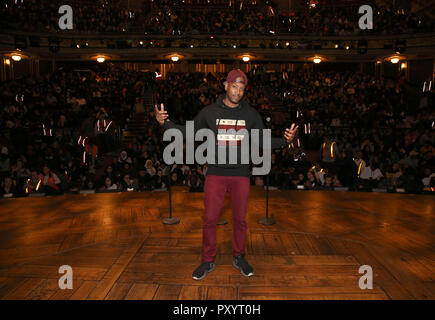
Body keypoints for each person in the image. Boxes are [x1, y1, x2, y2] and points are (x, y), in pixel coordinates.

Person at [154, 69, 298, 280]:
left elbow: (261, 141)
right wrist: (164, 124)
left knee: (240, 220)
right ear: (225, 86)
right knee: (210, 219)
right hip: (216, 174)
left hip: (240, 174)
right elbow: (189, 131)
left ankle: (239, 257)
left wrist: (285, 140)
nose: (237, 91)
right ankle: (207, 260)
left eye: (241, 88)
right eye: (234, 86)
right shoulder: (209, 112)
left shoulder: (251, 114)